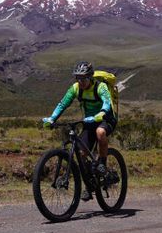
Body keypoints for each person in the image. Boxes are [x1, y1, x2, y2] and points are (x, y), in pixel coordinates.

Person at [42, 61, 117, 201]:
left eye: (83, 78)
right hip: (89, 121)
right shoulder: (75, 88)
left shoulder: (100, 87)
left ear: (90, 77)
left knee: (100, 132)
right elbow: (63, 104)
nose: (80, 81)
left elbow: (107, 103)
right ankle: (89, 185)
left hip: (106, 118)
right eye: (78, 78)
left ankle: (102, 164)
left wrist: (101, 113)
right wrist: (52, 119)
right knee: (81, 154)